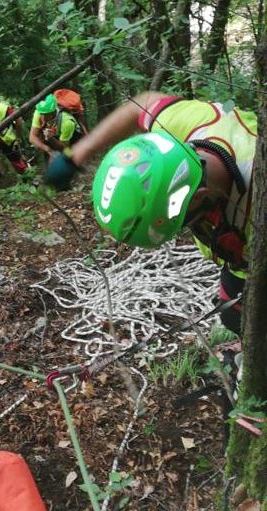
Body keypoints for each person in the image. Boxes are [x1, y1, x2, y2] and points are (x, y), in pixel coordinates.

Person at [44, 90, 257, 335]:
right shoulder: (184, 126)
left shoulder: (255, 209)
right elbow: (139, 105)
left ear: (198, 197)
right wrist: (75, 156)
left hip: (250, 252)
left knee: (250, 324)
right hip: (237, 250)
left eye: (185, 220)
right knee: (234, 318)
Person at [28, 93, 86, 161]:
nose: (42, 117)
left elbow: (64, 147)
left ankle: (77, 162)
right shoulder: (38, 112)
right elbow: (32, 137)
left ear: (53, 112)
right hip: (55, 136)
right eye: (42, 114)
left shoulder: (67, 122)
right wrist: (49, 150)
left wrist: (51, 138)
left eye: (46, 114)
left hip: (72, 137)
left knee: (70, 155)